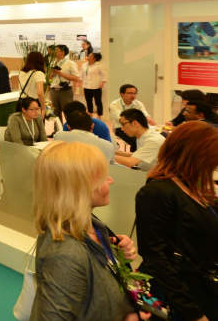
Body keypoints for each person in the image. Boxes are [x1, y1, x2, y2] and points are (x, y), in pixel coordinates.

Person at [31, 141, 141, 321]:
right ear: (80, 188)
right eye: (103, 178)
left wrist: (114, 252)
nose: (111, 180)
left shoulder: (92, 226)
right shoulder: (66, 256)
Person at [136, 121, 218, 321]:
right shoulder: (158, 192)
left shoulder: (193, 187)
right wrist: (192, 312)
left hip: (202, 289)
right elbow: (155, 257)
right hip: (180, 297)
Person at [109, 84, 156, 151]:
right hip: (122, 128)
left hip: (137, 127)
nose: (133, 95)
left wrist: (149, 119)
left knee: (151, 137)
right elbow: (121, 120)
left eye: (135, 93)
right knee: (136, 141)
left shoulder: (138, 104)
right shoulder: (114, 105)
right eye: (130, 93)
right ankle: (136, 156)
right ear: (122, 94)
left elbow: (145, 114)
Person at [49, 45, 80, 120]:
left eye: (56, 50)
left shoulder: (70, 63)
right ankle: (58, 127)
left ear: (62, 52)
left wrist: (60, 73)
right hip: (53, 91)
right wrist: (51, 75)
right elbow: (49, 79)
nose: (53, 52)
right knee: (55, 114)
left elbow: (76, 78)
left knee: (68, 112)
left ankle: (69, 127)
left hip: (65, 91)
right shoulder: (52, 62)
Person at [18, 51, 47, 115]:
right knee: (35, 121)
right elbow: (40, 93)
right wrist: (43, 108)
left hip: (21, 103)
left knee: (23, 121)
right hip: (33, 104)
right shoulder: (38, 73)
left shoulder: (21, 72)